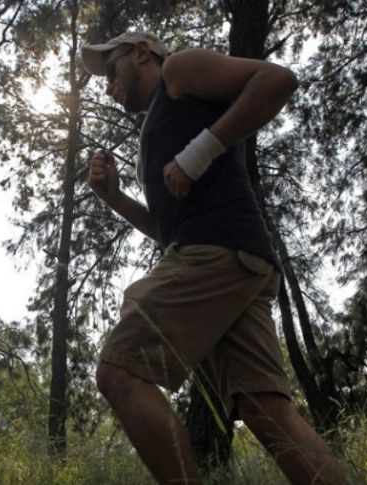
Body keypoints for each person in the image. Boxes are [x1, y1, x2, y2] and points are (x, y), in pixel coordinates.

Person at [81, 31, 351, 485]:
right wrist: (115, 198)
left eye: (110, 70)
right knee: (265, 409)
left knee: (120, 369)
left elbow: (278, 80)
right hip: (236, 263)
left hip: (216, 252)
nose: (107, 86)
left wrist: (199, 153)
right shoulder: (158, 126)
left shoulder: (177, 70)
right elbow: (168, 232)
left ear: (142, 53)